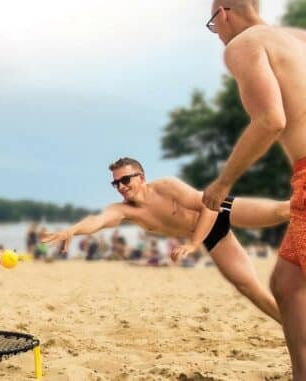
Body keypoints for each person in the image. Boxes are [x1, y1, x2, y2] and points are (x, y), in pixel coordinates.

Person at [43, 157, 289, 323]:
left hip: (219, 210)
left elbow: (208, 207)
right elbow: (98, 221)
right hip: (211, 236)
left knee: (281, 212)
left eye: (125, 180)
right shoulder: (125, 210)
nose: (121, 186)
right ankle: (294, 327)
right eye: (115, 183)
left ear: (141, 177)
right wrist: (72, 230)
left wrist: (193, 244)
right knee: (248, 287)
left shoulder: (166, 187)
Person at [199, 1, 306, 375]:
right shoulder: (297, 39)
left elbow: (270, 119)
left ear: (224, 13)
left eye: (213, 23)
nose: (217, 34)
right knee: (288, 284)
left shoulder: (243, 45)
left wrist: (223, 182)